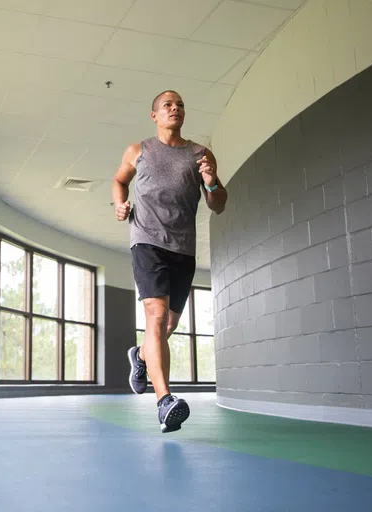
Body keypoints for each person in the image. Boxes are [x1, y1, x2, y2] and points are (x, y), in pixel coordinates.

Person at [111, 90, 228, 433]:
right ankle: (164, 401)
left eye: (180, 105)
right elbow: (119, 181)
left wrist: (211, 181)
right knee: (156, 316)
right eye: (168, 105)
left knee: (167, 327)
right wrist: (119, 205)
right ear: (155, 115)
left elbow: (218, 204)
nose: (175, 108)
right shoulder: (139, 151)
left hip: (183, 249)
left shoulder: (200, 154)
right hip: (147, 242)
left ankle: (141, 356)